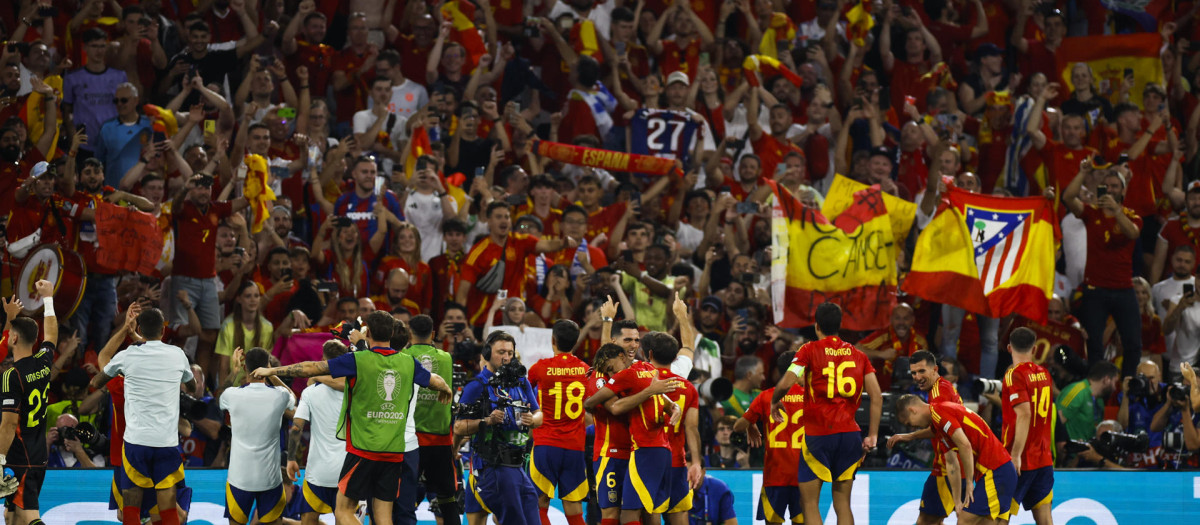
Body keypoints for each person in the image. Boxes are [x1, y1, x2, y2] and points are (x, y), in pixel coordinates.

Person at [250, 311, 453, 525]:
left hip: (363, 450)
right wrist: (445, 388)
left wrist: (271, 370)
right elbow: (433, 379)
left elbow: (311, 367)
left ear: (369, 333)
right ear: (392, 333)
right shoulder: (409, 363)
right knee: (384, 516)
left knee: (343, 510)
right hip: (394, 452)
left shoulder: (359, 360)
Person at [770, 302, 881, 525]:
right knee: (843, 504)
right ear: (840, 325)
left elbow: (787, 381)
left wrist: (775, 401)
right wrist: (873, 435)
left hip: (818, 435)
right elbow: (876, 396)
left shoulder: (808, 350)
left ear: (816, 326)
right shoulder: (859, 355)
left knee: (809, 503)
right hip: (850, 435)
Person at [89, 305, 196, 525]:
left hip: (135, 443)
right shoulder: (177, 355)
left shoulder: (126, 361)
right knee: (169, 510)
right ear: (163, 331)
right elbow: (192, 387)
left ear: (140, 328)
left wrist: (128, 333)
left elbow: (96, 379)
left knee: (130, 508)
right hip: (166, 442)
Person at [1062, 158, 1143, 377]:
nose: (1109, 189)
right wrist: (1082, 173)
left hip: (1124, 289)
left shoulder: (1131, 216)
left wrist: (1116, 211)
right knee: (1095, 345)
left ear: (1122, 191)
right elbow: (1068, 197)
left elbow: (1133, 233)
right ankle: (1096, 387)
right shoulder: (1091, 213)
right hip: (1095, 290)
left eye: (1115, 186)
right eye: (1106, 186)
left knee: (1133, 343)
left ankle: (1127, 388)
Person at [454, 331, 543, 525]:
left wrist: (532, 419)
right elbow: (459, 427)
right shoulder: (477, 386)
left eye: (510, 353)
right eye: (501, 352)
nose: (506, 357)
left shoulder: (521, 382)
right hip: (492, 467)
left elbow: (539, 414)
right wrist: (486, 421)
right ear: (487, 354)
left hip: (518, 466)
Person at [896, 394, 1018, 525]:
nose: (913, 427)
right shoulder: (940, 419)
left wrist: (970, 483)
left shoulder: (938, 413)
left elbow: (964, 445)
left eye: (909, 423)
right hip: (1000, 470)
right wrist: (909, 437)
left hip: (996, 471)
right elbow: (938, 439)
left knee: (964, 521)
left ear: (912, 410)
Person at [0, 282, 58, 523]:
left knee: (28, 516)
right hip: (36, 452)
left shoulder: (12, 375)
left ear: (13, 337)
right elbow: (52, 333)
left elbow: (8, 424)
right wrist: (48, 299)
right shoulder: (44, 361)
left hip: (18, 456)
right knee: (11, 515)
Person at [220, 347, 296, 525]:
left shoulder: (232, 395)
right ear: (267, 366)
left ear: (245, 367)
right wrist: (273, 373)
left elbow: (221, 395)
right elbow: (293, 398)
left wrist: (234, 371)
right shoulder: (280, 395)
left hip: (239, 479)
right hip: (270, 480)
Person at [886, 350, 963, 525]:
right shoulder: (939, 389)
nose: (917, 377)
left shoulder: (938, 396)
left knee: (926, 522)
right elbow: (939, 429)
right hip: (950, 466)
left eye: (922, 371)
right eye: (913, 372)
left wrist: (909, 436)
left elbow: (946, 437)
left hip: (948, 469)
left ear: (935, 369)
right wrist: (909, 436)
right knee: (935, 521)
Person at [526, 320, 590, 525]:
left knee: (540, 502)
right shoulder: (585, 369)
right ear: (576, 341)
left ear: (553, 340)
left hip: (546, 444)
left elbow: (524, 392)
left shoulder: (540, 368)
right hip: (575, 446)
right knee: (573, 506)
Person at [398, 316, 459, 525]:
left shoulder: (402, 357)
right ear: (433, 334)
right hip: (440, 441)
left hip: (409, 442)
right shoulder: (446, 358)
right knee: (448, 500)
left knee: (404, 501)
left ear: (409, 334)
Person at [734, 351, 803, 525]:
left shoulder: (766, 396)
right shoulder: (811, 397)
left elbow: (737, 427)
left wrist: (751, 423)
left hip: (775, 474)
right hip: (804, 474)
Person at [286, 340, 348, 525]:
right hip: (348, 471)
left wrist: (291, 458)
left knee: (309, 520)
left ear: (323, 360)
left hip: (318, 473)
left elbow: (297, 427)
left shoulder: (310, 392)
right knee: (345, 518)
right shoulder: (356, 390)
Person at [998, 328, 1054, 525]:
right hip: (1044, 459)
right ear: (1035, 349)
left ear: (1009, 348)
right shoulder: (1044, 374)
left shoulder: (1014, 375)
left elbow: (1024, 414)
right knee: (1046, 520)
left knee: (999, 518)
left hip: (1020, 461)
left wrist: (1015, 455)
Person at [1056, 362, 1120, 441]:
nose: (1115, 388)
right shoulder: (1077, 392)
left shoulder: (1099, 401)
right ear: (1106, 380)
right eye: (1114, 382)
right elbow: (1056, 422)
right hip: (1069, 451)